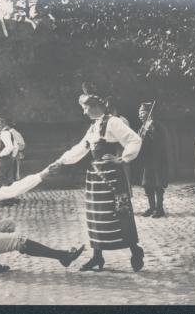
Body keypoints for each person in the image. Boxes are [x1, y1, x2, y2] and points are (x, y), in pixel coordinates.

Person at [53, 92, 145, 272]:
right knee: (96, 216)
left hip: (111, 177)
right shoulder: (94, 126)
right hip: (95, 177)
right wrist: (61, 161)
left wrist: (123, 158)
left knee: (119, 214)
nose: (84, 112)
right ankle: (97, 257)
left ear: (95, 106)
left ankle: (136, 251)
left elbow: (135, 139)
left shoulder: (113, 122)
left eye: (85, 108)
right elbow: (81, 147)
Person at [0, 164, 85, 274]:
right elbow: (14, 190)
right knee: (17, 240)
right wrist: (42, 175)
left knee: (8, 225)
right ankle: (62, 256)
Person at [138, 102, 169, 218]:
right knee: (147, 185)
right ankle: (151, 208)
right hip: (147, 161)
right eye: (139, 113)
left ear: (149, 113)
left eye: (142, 112)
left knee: (158, 185)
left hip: (157, 160)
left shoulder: (157, 126)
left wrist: (152, 131)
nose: (140, 115)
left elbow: (160, 143)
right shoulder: (143, 126)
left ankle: (159, 209)